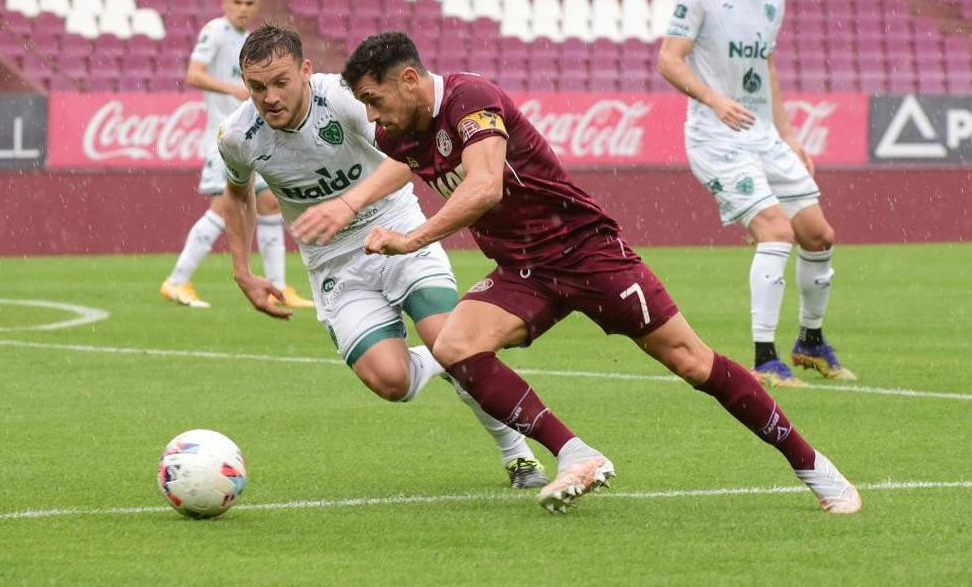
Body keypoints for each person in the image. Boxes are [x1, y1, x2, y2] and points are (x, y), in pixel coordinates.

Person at [293, 31, 862, 515]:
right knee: (456, 347)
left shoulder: (471, 98)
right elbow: (403, 161)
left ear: (411, 80)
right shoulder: (397, 131)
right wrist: (348, 204)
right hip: (523, 269)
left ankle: (815, 468)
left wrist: (410, 239)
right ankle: (576, 454)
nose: (370, 115)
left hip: (586, 252)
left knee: (691, 361)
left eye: (374, 99)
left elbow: (486, 186)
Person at [214, 23, 549, 490]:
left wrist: (350, 202)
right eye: (257, 86)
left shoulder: (345, 100)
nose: (269, 97)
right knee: (394, 383)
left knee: (453, 342)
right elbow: (237, 194)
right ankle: (440, 358)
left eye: (281, 81)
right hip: (334, 265)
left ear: (306, 71)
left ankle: (518, 454)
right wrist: (242, 271)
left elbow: (408, 157)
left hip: (397, 231)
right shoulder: (237, 135)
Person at [658, 0, 854, 387]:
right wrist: (713, 99)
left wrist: (789, 134)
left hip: (762, 133)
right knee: (776, 231)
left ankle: (809, 342)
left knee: (818, 235)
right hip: (714, 136)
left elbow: (764, 67)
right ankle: (765, 358)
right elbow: (669, 59)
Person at [160, 0, 312, 310]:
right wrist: (233, 89)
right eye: (237, 3)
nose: (242, 9)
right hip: (225, 136)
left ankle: (281, 288)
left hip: (252, 137)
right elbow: (194, 74)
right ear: (225, 3)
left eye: (249, 3)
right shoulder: (215, 31)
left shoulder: (249, 42)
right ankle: (176, 281)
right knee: (222, 207)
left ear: (256, 6)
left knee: (271, 202)